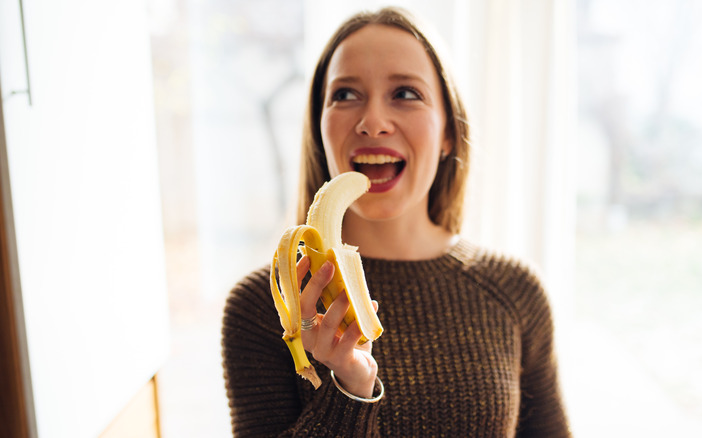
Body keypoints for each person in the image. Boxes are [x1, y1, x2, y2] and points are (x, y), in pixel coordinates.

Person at [221, 6, 571, 437]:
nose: (372, 123)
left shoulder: (515, 291)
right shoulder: (263, 308)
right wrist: (350, 387)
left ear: (447, 133)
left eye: (405, 93)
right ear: (319, 129)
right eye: (345, 95)